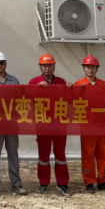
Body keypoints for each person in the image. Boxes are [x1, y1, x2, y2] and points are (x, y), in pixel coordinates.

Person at [0, 51, 27, 196]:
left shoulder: (14, 81)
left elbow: (21, 100)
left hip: (12, 124)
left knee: (13, 153)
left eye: (1, 63)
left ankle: (16, 183)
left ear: (5, 64)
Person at [29, 54, 72, 196]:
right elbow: (28, 100)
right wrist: (37, 89)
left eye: (50, 66)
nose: (47, 68)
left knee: (60, 154)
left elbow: (68, 101)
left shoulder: (61, 82)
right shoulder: (34, 82)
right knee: (44, 155)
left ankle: (62, 183)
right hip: (43, 124)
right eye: (44, 66)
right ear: (40, 67)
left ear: (54, 67)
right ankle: (44, 183)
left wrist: (70, 89)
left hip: (59, 124)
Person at [75, 56, 105, 195]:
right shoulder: (78, 84)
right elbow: (72, 101)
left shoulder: (104, 85)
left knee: (103, 154)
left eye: (93, 67)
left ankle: (102, 181)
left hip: (103, 126)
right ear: (83, 68)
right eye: (88, 67)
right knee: (88, 155)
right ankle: (89, 181)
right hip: (87, 126)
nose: (90, 69)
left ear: (97, 68)